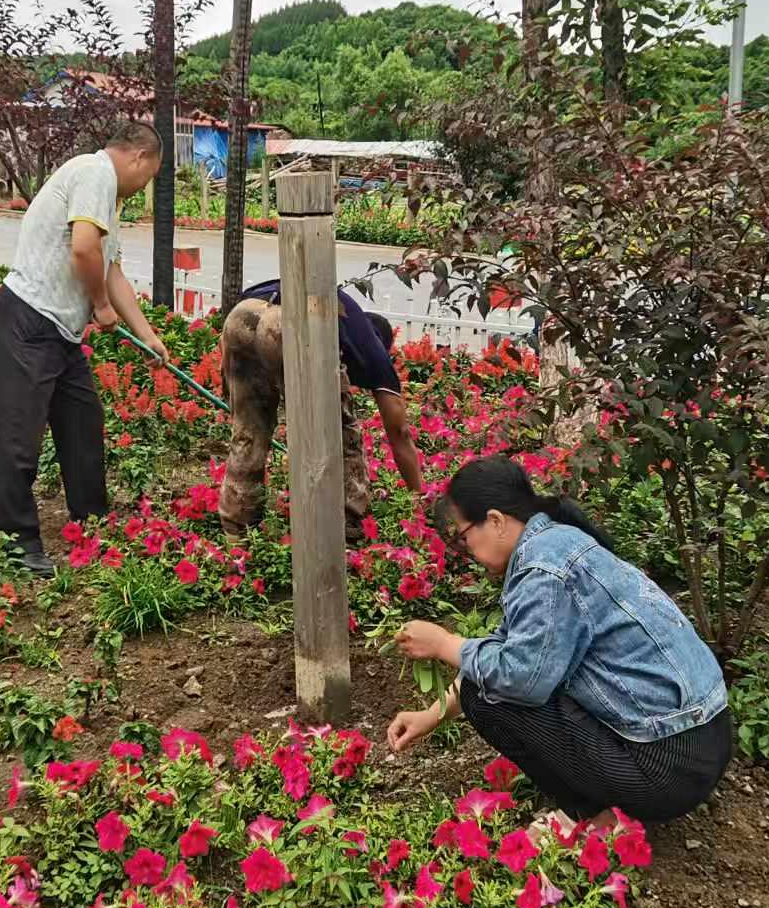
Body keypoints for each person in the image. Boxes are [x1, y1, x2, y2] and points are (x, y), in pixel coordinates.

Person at [385, 457, 731, 830]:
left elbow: (519, 679)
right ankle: (604, 801)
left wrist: (443, 643)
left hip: (665, 771)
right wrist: (432, 715)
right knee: (490, 678)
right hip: (702, 742)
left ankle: (590, 816)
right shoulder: (559, 543)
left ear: (496, 521)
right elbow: (508, 646)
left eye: (463, 536)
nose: (464, 548)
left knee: (485, 696)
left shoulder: (544, 571)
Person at [0, 122, 168, 577]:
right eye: (149, 176)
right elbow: (85, 250)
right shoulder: (95, 173)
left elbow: (110, 270)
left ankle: (92, 525)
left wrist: (147, 335)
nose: (144, 185)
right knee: (20, 438)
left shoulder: (109, 200)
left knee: (83, 425)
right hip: (27, 321)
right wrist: (100, 306)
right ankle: (17, 544)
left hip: (60, 333)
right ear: (139, 157)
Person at [218, 280, 424, 539]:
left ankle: (237, 529)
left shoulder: (348, 320)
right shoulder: (374, 350)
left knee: (249, 432)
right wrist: (418, 495)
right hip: (287, 324)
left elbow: (232, 326)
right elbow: (399, 432)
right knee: (341, 435)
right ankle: (346, 524)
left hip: (242, 316)